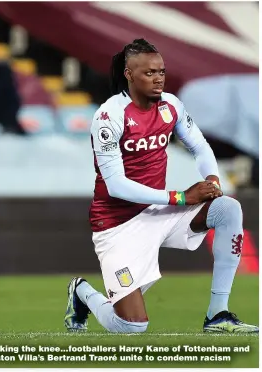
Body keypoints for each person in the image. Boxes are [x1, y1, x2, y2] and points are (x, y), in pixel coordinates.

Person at [64, 39, 258, 334]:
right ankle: (82, 293)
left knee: (228, 208)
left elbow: (201, 147)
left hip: (161, 211)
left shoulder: (171, 105)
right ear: (129, 74)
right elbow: (116, 185)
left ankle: (217, 314)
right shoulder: (109, 116)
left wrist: (213, 180)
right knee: (131, 327)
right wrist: (180, 196)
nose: (158, 79)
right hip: (119, 224)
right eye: (149, 73)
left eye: (162, 72)